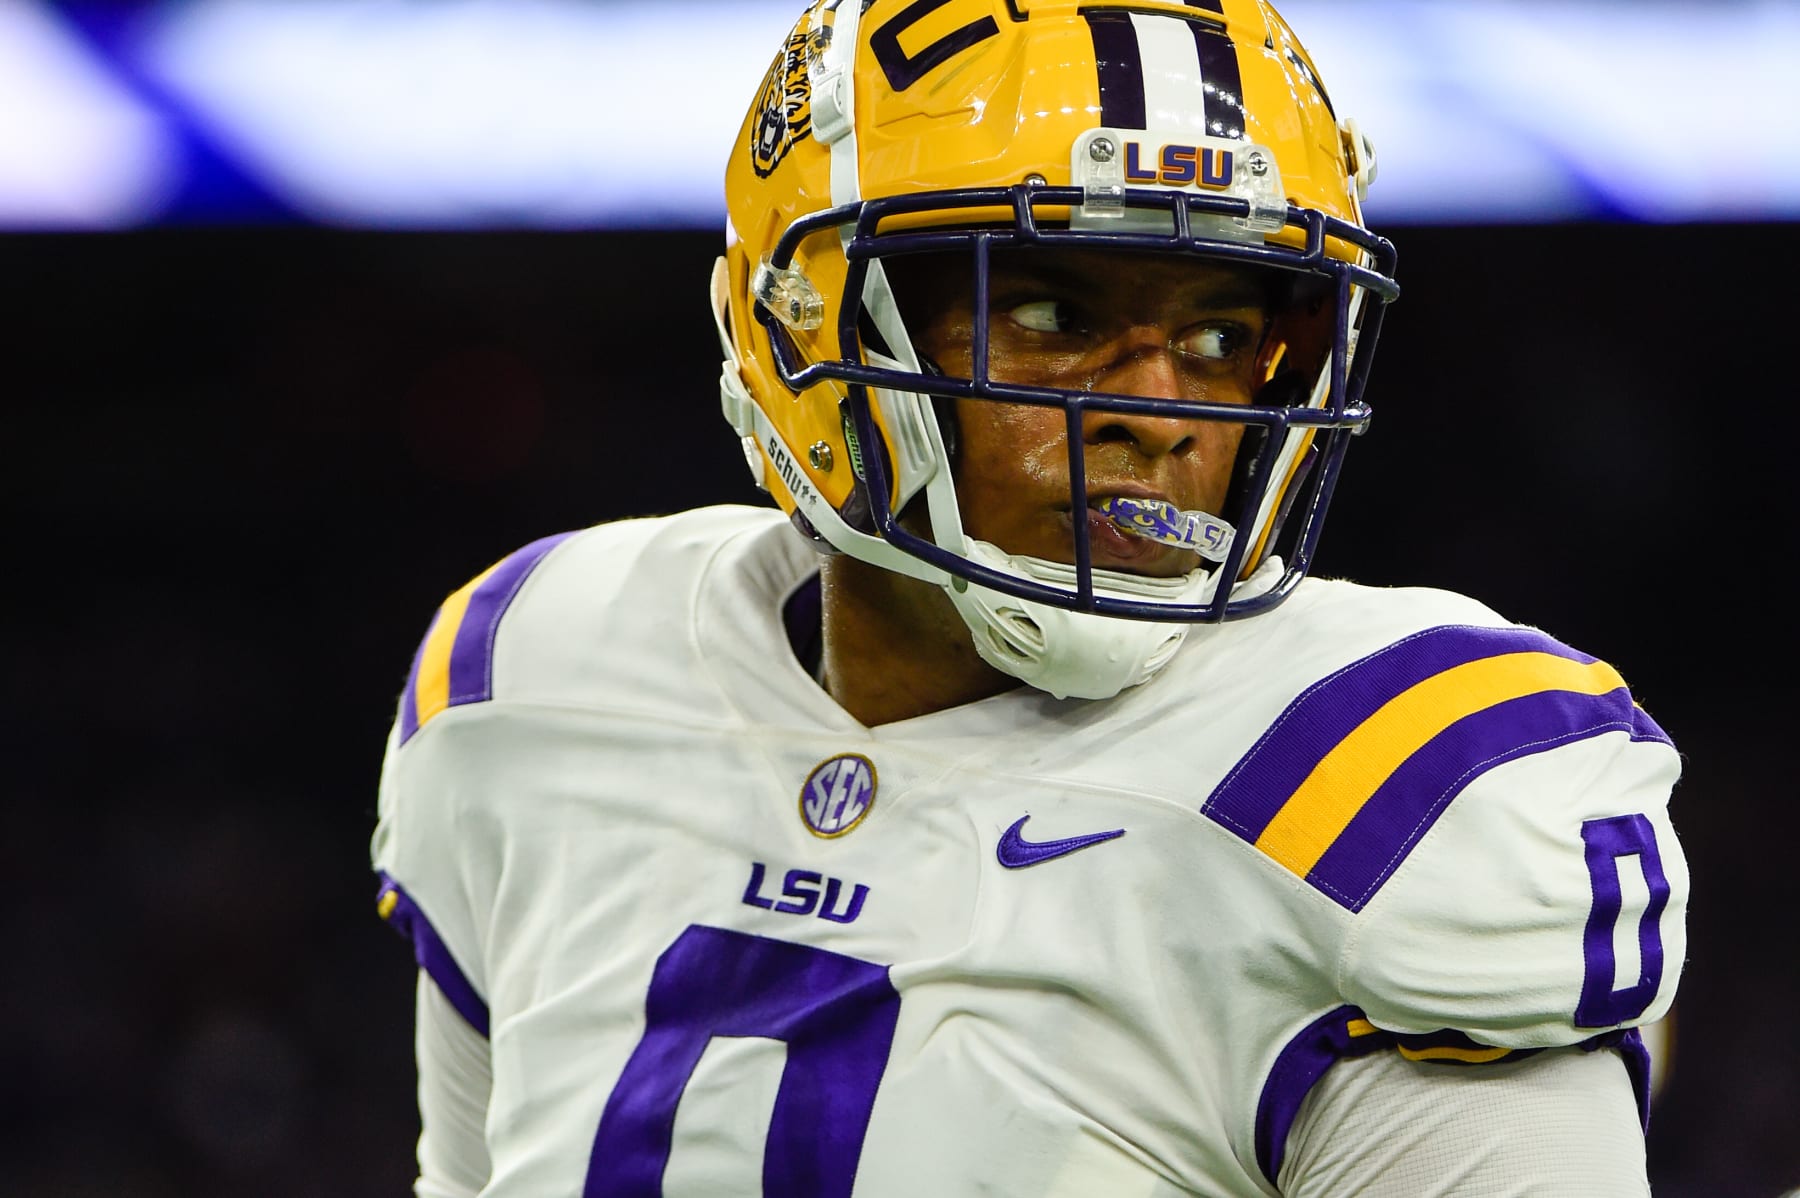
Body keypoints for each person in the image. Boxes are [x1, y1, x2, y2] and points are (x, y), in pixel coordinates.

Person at [371, 0, 1689, 1193]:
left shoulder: (1386, 774)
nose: (1159, 417)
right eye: (1054, 311)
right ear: (808, 330)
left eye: (1224, 339)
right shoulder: (530, 674)